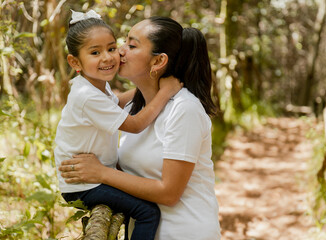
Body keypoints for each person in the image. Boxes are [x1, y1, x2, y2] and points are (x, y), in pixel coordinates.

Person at [59, 16, 221, 240]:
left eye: (131, 45)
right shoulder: (137, 106)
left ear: (158, 61)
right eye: (123, 42)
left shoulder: (184, 109)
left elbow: (169, 192)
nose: (120, 52)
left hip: (183, 232)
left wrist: (101, 173)